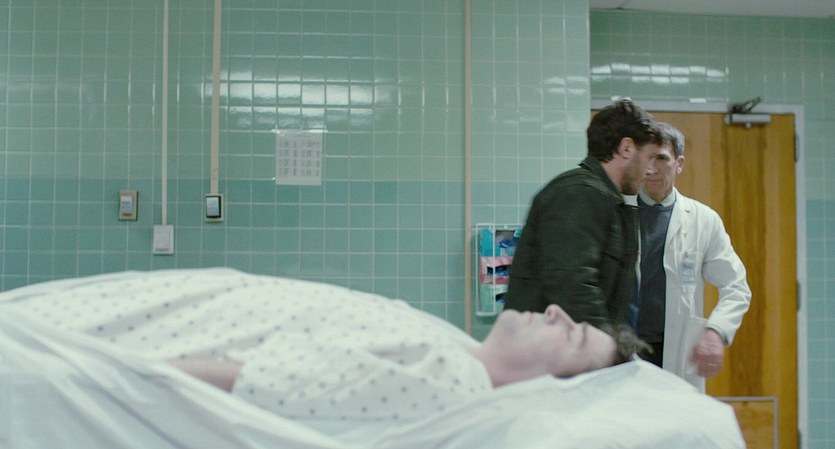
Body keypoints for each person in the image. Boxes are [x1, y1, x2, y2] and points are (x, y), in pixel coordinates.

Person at [505, 99, 662, 328]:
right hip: (549, 346)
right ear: (626, 148)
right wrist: (607, 342)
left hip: (573, 343)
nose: (649, 170)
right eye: (649, 157)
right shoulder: (579, 195)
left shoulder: (609, 202)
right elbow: (572, 286)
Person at [630, 122, 751, 389]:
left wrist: (716, 331)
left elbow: (736, 287)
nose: (651, 169)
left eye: (661, 158)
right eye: (646, 158)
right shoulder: (618, 213)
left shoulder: (703, 220)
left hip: (677, 351)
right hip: (626, 350)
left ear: (679, 163)